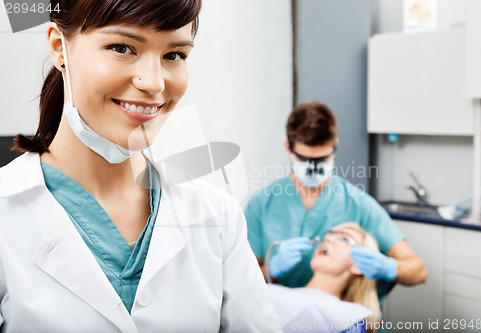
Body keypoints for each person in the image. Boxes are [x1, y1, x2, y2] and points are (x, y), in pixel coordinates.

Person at [0, 0, 281, 332]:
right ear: (60, 47)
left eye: (174, 55)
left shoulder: (217, 214)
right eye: (122, 47)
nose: (154, 83)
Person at [245, 101, 428, 296]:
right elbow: (241, 280)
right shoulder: (262, 204)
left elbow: (418, 271)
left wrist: (389, 268)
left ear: (335, 145)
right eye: (304, 159)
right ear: (288, 149)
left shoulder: (359, 204)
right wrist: (269, 272)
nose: (313, 167)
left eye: (321, 159)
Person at [267, 223, 381, 333]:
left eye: (344, 239)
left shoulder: (350, 318)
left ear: (358, 266)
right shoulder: (270, 291)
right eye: (329, 235)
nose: (327, 239)